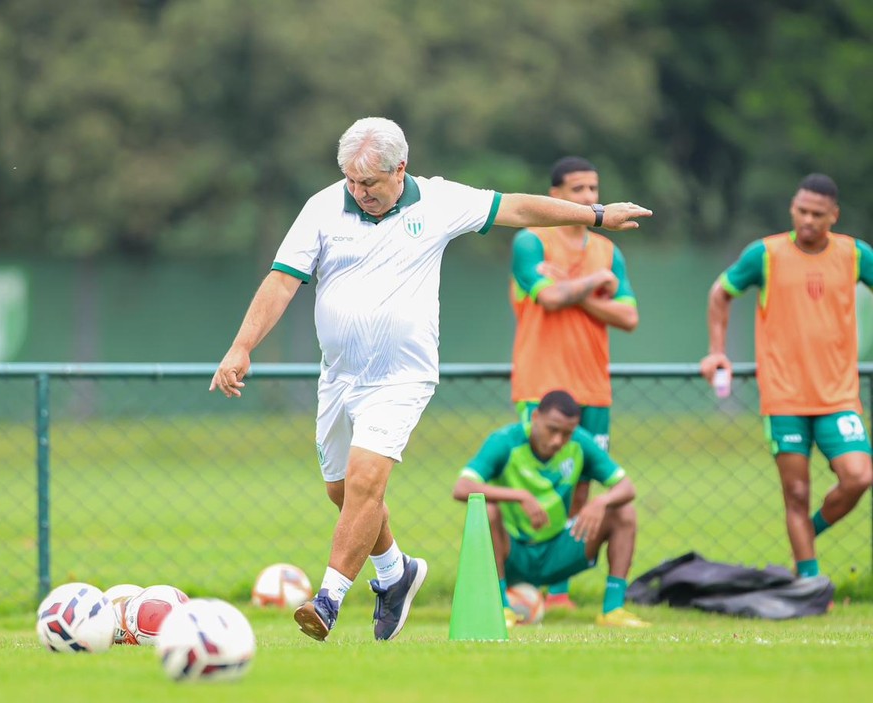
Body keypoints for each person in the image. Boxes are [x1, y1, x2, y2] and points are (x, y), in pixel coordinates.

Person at [210, 117, 652, 642]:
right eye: (351, 180)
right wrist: (241, 347)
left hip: (402, 376)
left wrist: (596, 214)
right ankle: (397, 573)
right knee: (341, 490)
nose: (359, 192)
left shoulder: (440, 201)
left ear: (401, 169)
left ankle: (328, 600)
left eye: (369, 183)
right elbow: (282, 281)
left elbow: (518, 207)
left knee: (367, 481)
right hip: (340, 376)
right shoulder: (322, 207)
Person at [700, 173, 873, 581]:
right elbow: (720, 293)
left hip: (838, 396)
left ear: (834, 215)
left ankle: (806, 535)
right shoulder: (765, 254)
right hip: (785, 397)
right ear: (792, 209)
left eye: (818, 213)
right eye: (802, 211)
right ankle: (808, 581)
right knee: (796, 493)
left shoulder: (854, 254)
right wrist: (716, 352)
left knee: (859, 477)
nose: (808, 220)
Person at [510, 156, 639, 610]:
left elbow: (629, 316)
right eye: (578, 190)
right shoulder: (530, 242)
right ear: (556, 196)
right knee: (543, 485)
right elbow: (547, 299)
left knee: (582, 485)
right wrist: (592, 286)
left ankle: (559, 592)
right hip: (540, 385)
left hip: (592, 387)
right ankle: (524, 584)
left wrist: (575, 287)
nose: (588, 198)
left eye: (593, 189)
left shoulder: (609, 252)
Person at [452, 389, 649, 627]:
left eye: (566, 433)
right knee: (488, 510)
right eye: (552, 429)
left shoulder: (580, 443)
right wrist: (520, 496)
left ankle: (613, 610)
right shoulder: (505, 441)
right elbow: (462, 487)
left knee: (624, 512)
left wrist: (600, 502)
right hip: (513, 553)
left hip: (558, 551)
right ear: (535, 417)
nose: (558, 440)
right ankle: (502, 608)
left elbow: (627, 487)